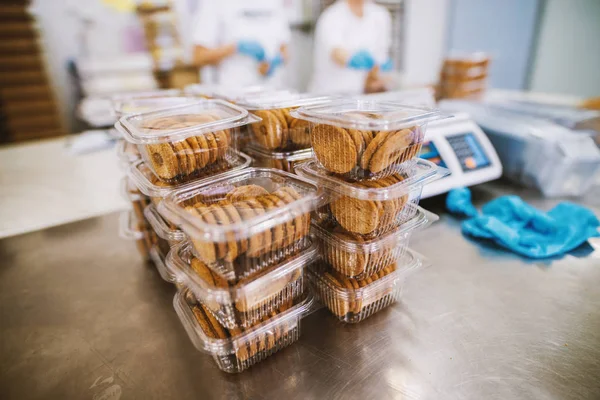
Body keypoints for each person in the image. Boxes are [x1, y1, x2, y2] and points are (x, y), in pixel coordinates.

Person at [191, 0, 291, 88]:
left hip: (275, 96)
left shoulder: (275, 3)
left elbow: (284, 50)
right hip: (234, 97)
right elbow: (198, 57)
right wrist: (236, 47)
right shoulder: (215, 3)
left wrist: (275, 61)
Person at [309, 0, 393, 94]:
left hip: (364, 96)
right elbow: (337, 54)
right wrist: (351, 59)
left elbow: (381, 58)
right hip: (332, 95)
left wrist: (380, 73)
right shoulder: (332, 16)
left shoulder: (380, 15)